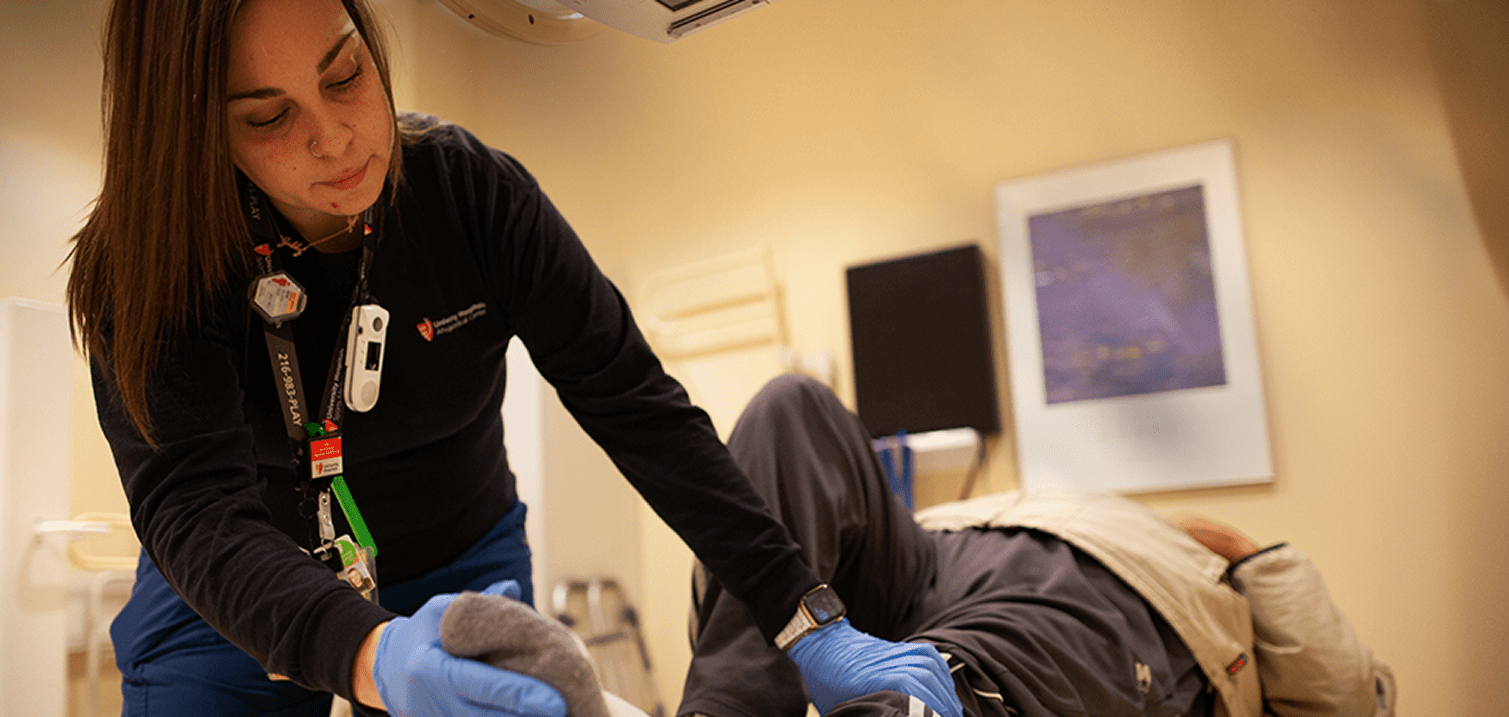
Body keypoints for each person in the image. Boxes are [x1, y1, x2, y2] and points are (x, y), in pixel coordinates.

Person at [64, 1, 964, 716]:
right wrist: (369, 651)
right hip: (233, 575)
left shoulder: (470, 196)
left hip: (455, 550)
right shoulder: (151, 260)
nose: (334, 136)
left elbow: (635, 403)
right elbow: (195, 510)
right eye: (268, 117)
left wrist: (805, 614)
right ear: (195, 132)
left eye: (345, 74)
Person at [680, 374, 1398, 717]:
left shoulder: (1199, 582)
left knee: (986, 649)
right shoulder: (1046, 504)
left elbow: (1348, 698)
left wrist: (1248, 555)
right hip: (928, 558)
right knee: (793, 406)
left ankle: (915, 705)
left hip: (1087, 618)